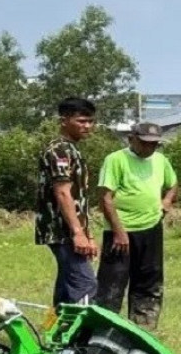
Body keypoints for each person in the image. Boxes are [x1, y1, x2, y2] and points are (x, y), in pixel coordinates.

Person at [96, 122, 177, 329]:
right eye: (145, 143)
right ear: (131, 139)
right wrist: (119, 232)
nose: (149, 148)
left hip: (150, 228)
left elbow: (173, 183)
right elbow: (105, 198)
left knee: (149, 283)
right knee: (112, 286)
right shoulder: (116, 160)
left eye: (154, 144)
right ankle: (103, 335)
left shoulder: (160, 160)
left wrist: (166, 202)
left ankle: (143, 330)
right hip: (121, 232)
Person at [35, 97, 97, 307]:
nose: (87, 126)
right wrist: (78, 233)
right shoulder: (59, 150)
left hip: (72, 230)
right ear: (64, 121)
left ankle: (55, 336)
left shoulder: (72, 149)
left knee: (65, 288)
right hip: (62, 231)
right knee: (85, 284)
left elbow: (79, 199)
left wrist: (88, 234)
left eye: (90, 121)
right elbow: (62, 193)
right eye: (81, 121)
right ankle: (82, 339)